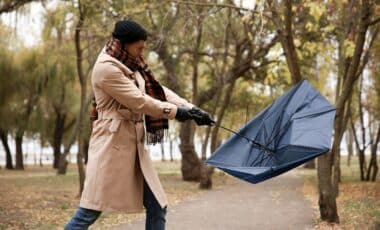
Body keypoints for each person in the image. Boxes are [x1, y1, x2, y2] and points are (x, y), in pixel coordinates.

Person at [64, 19, 214, 230]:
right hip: (111, 147)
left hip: (133, 147)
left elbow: (158, 90)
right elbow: (140, 100)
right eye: (139, 47)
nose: (143, 51)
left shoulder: (130, 63)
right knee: (89, 211)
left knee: (157, 205)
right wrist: (177, 112)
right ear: (124, 43)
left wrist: (190, 108)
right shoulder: (107, 69)